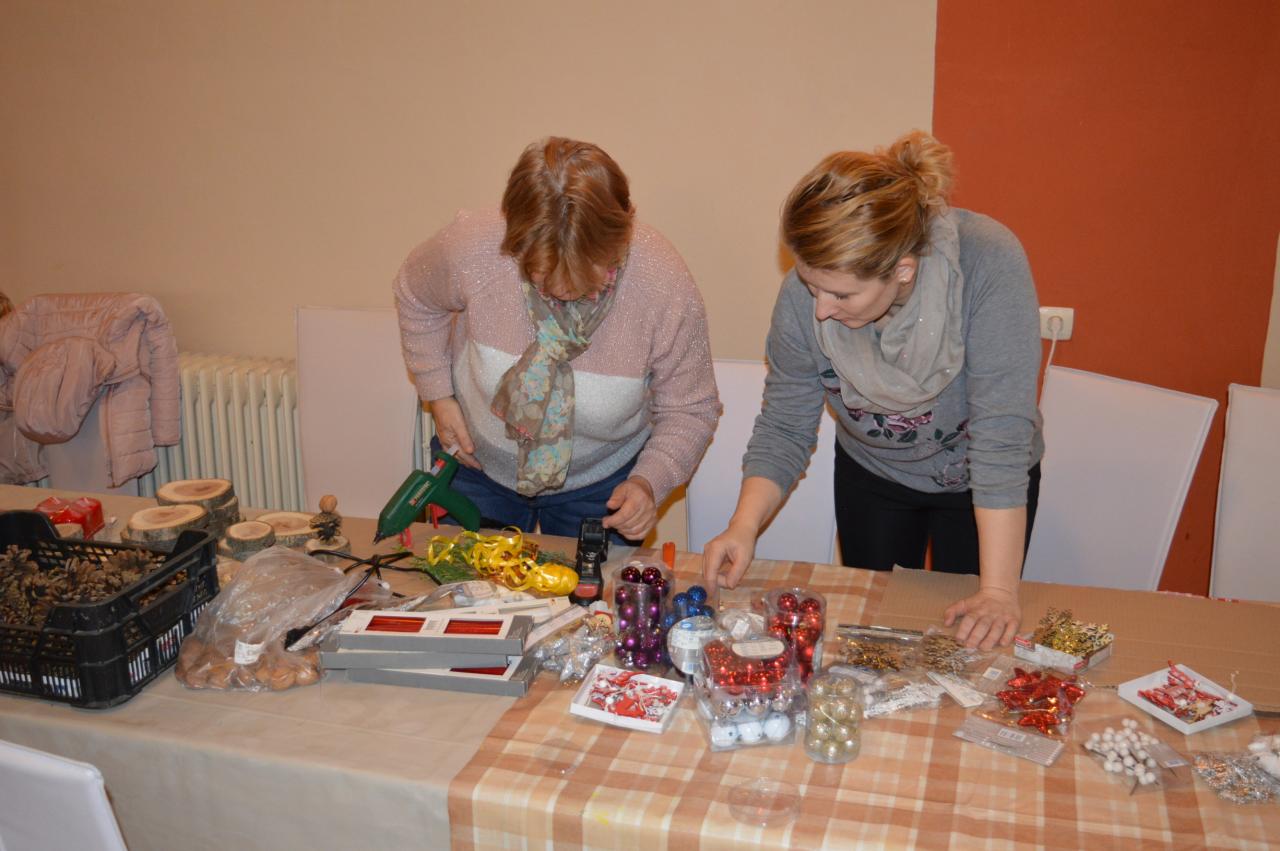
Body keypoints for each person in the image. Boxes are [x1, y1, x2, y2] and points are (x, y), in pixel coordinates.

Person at [702, 131, 1043, 649]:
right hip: (873, 477)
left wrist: (998, 591)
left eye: (841, 295)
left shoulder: (987, 264)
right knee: (877, 642)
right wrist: (742, 526)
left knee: (970, 645)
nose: (821, 309)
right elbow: (785, 425)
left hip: (981, 484)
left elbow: (1000, 435)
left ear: (902, 270)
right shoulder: (807, 295)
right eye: (811, 286)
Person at [394, 137, 720, 543]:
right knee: (460, 582)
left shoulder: (662, 284)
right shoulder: (475, 246)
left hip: (603, 487)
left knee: (596, 588)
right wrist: (439, 397)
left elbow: (691, 409)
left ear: (619, 239)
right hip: (475, 467)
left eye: (582, 275)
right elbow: (416, 296)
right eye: (543, 274)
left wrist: (648, 482)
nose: (563, 291)